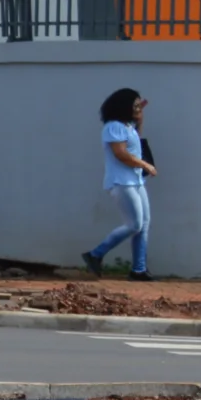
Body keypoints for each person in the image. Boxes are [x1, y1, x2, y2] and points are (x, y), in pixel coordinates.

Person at [82, 87, 154, 279]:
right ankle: (95, 254)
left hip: (135, 181)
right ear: (124, 107)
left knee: (144, 225)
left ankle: (139, 270)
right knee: (134, 224)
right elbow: (121, 154)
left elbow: (134, 141)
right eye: (135, 106)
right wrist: (145, 164)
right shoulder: (113, 127)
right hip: (122, 183)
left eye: (140, 105)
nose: (139, 108)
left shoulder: (127, 126)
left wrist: (140, 120)